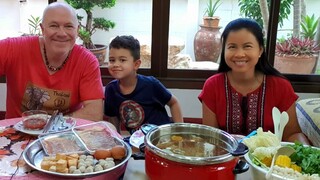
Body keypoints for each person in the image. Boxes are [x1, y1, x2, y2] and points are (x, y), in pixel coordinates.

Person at [198, 18, 310, 144]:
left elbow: (292, 134)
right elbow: (210, 137)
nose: (239, 54)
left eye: (247, 46)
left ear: (260, 50)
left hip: (269, 161)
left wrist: (305, 150)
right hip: (226, 159)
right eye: (232, 47)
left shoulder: (281, 86)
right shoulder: (212, 86)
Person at [0, 2, 104, 121]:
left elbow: (94, 113)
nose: (61, 33)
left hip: (64, 134)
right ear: (42, 29)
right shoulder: (13, 49)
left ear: (77, 30)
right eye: (54, 26)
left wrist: (50, 123)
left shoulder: (87, 61)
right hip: (15, 133)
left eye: (69, 26)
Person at [104, 35, 184, 134]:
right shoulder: (111, 89)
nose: (115, 64)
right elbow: (113, 118)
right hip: (137, 141)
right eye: (112, 60)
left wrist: (180, 131)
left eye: (122, 60)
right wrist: (117, 140)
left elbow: (174, 103)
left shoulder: (151, 84)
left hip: (162, 138)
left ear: (136, 64)